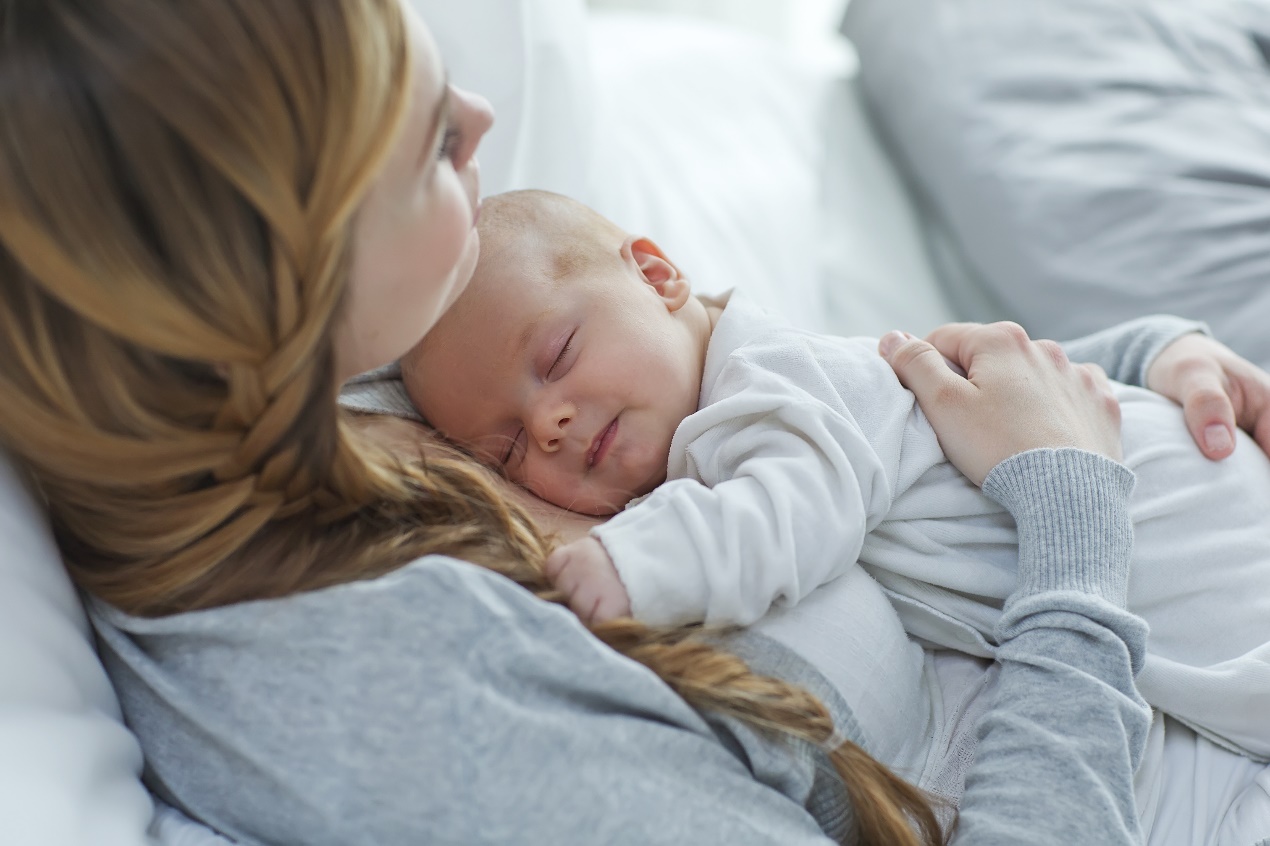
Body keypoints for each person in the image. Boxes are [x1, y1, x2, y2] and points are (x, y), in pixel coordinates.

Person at [0, 1, 1262, 844]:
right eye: (427, 142)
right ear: (269, 268)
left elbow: (855, 384)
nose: (483, 119)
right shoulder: (386, 685)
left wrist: (1137, 361)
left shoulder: (391, 368)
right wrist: (1072, 520)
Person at [405, 189, 1270, 763]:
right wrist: (1152, 347)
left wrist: (630, 566)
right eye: (508, 452)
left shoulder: (768, 386)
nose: (548, 425)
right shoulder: (783, 382)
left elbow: (794, 510)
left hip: (1195, 534)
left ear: (660, 276)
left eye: (556, 355)